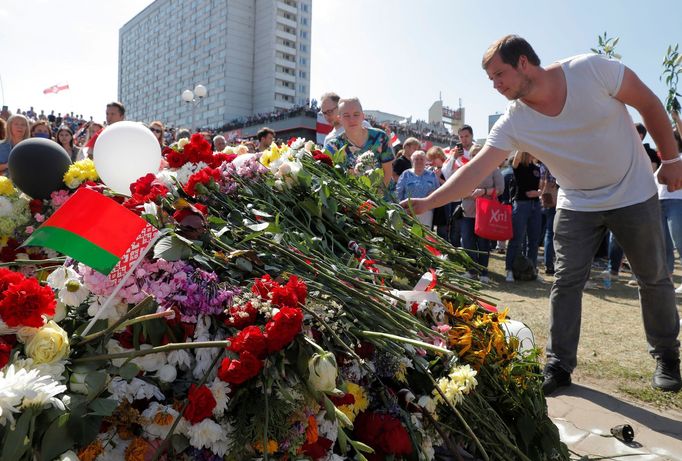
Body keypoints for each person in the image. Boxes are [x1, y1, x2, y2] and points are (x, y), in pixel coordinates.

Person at [402, 35, 682, 394]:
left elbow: (648, 102)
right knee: (566, 282)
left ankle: (666, 357)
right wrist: (427, 202)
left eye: (499, 75)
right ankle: (559, 363)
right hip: (578, 202)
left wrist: (672, 159)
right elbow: (473, 171)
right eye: (491, 80)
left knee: (654, 277)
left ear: (523, 62)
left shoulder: (591, 69)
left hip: (633, 192)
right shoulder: (514, 121)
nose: (495, 85)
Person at [324, 97, 394, 188]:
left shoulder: (380, 137)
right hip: (354, 199)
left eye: (356, 114)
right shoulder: (334, 147)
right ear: (339, 119)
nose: (351, 119)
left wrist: (376, 197)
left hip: (385, 197)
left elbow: (388, 172)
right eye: (346, 115)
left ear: (363, 116)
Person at [459, 148, 504, 283]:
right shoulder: (465, 169)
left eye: (477, 154)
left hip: (485, 213)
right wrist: (470, 193)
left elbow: (500, 189)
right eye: (473, 154)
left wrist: (483, 191)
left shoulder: (493, 169)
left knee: (484, 244)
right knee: (467, 242)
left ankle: (484, 272)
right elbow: (458, 189)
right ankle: (472, 271)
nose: (475, 157)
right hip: (468, 212)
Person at [504, 151, 542, 282]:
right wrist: (522, 141)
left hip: (535, 205)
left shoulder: (537, 168)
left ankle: (532, 270)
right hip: (521, 204)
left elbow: (541, 188)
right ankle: (509, 269)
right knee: (516, 239)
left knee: (534, 240)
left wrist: (538, 193)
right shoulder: (519, 165)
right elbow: (516, 160)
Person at [396, 150, 439, 227]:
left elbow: (438, 191)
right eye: (416, 159)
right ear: (412, 161)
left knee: (425, 234)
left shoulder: (432, 175)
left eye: (422, 159)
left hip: (426, 210)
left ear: (425, 161)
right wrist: (401, 207)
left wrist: (433, 193)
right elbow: (399, 191)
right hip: (409, 210)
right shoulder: (406, 174)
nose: (419, 161)